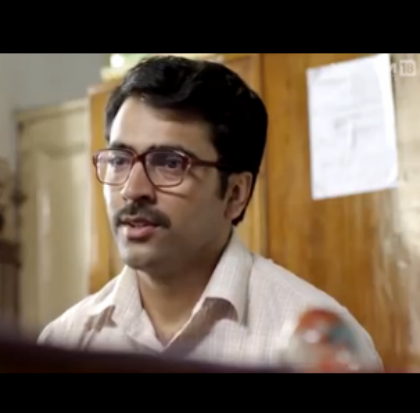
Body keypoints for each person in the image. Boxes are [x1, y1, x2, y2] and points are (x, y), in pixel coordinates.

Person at [38, 55, 382, 370]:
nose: (133, 188)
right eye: (119, 160)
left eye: (170, 163)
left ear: (235, 194)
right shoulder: (65, 342)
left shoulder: (321, 346)